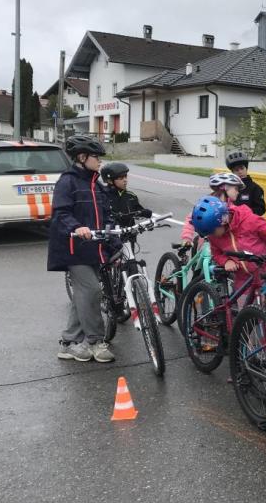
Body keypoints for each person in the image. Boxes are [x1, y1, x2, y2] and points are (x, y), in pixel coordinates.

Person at [48, 135, 116, 363]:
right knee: (92, 291)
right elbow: (60, 213)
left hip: (94, 248)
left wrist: (113, 231)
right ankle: (95, 341)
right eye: (96, 157)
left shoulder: (95, 183)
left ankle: (68, 343)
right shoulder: (67, 182)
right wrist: (78, 228)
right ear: (82, 157)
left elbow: (105, 212)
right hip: (74, 248)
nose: (99, 161)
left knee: (84, 295)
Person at [190, 196, 266, 297]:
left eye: (212, 231)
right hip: (244, 281)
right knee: (244, 311)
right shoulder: (214, 235)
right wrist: (226, 261)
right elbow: (216, 253)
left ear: (223, 220)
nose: (211, 235)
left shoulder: (250, 221)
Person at [179, 173, 245, 245]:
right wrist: (187, 238)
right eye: (236, 189)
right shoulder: (206, 204)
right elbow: (191, 219)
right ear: (225, 187)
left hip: (224, 244)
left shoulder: (231, 207)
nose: (238, 192)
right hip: (207, 243)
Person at [100, 163, 152, 227]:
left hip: (129, 234)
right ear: (110, 181)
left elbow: (138, 210)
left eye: (125, 176)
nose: (125, 180)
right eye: (121, 178)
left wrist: (145, 213)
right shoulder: (102, 195)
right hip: (111, 233)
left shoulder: (131, 196)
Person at [225, 151, 266, 216]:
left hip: (247, 223)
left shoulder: (255, 188)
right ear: (232, 172)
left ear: (246, 168)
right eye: (236, 170)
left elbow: (261, 209)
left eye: (242, 168)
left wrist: (243, 213)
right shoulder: (229, 187)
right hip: (231, 223)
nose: (240, 172)